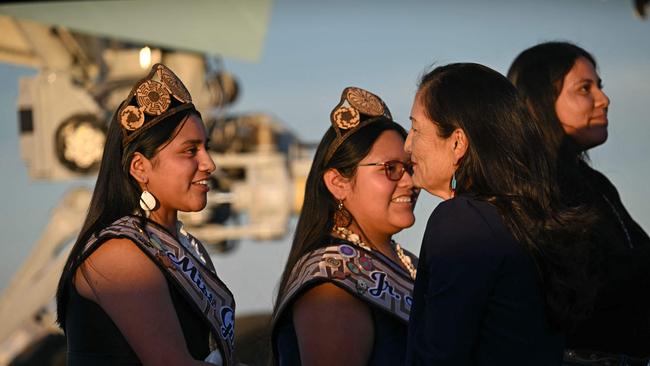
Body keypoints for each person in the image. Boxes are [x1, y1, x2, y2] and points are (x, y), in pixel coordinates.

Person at [404, 63, 596, 366]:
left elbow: (440, 353)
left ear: (457, 142)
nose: (407, 145)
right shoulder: (526, 221)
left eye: (415, 129)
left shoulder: (461, 221)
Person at [55, 64, 235, 366]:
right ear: (140, 167)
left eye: (206, 148)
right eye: (190, 151)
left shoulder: (185, 247)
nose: (209, 163)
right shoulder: (118, 254)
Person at [508, 41, 650, 363]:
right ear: (539, 101)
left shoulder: (596, 185)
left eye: (599, 86)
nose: (604, 99)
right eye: (584, 88)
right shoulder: (529, 191)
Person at [271, 87, 420, 366]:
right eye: (391, 169)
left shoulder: (406, 265)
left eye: (410, 167)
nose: (410, 182)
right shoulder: (331, 284)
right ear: (338, 183)